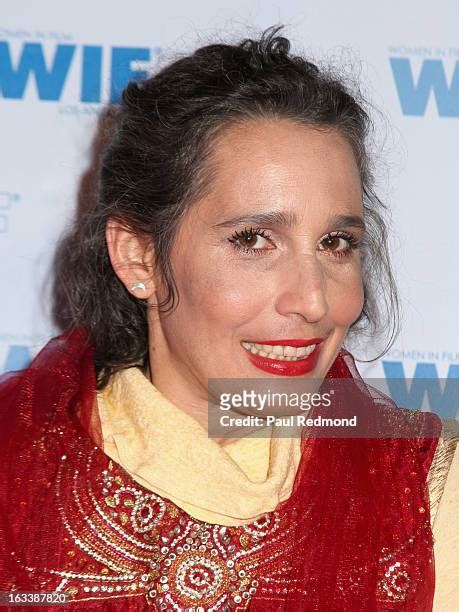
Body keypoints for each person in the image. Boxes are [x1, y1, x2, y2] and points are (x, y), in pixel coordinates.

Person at [0, 25, 457, 611]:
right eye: (253, 240)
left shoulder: (428, 492)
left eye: (337, 243)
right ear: (140, 256)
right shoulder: (13, 478)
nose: (314, 301)